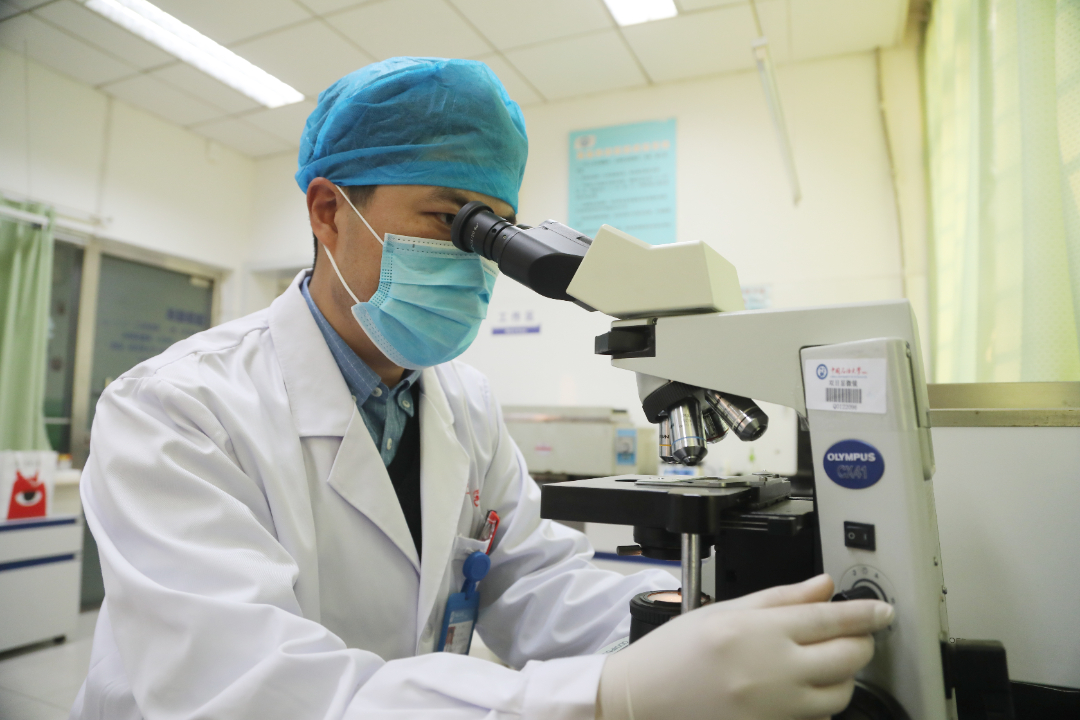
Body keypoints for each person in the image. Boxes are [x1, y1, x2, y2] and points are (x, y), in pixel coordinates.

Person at [70, 57, 893, 720]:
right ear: (327, 212)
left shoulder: (463, 402)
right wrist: (608, 698)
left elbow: (532, 581)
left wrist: (691, 622)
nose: (475, 258)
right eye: (447, 220)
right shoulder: (176, 409)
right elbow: (252, 689)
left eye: (493, 228)